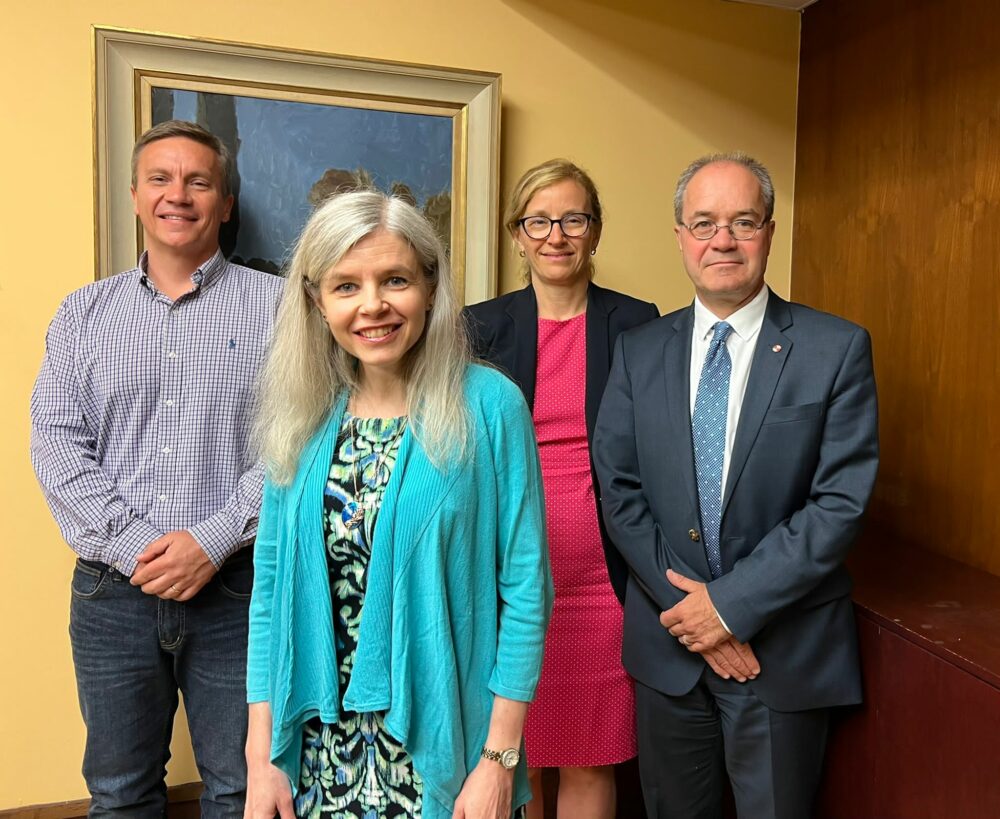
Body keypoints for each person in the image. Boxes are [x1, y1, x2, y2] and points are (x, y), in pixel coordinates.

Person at [244, 189, 553, 819]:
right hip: (317, 754)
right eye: (346, 286)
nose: (372, 305)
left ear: (430, 288)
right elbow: (269, 592)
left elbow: (526, 592)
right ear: (317, 301)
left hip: (448, 753)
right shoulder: (302, 415)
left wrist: (498, 760)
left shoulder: (489, 406)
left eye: (395, 280)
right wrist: (261, 756)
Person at [593, 152, 879, 818]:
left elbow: (839, 504)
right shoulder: (638, 350)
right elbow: (619, 491)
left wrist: (728, 608)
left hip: (782, 654)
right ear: (681, 237)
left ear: (769, 233)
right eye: (704, 223)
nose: (722, 240)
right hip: (670, 651)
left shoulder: (835, 348)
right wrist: (694, 616)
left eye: (743, 222)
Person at [30, 120, 283, 816]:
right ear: (137, 196)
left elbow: (298, 438)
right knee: (119, 795)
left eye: (199, 181)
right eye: (161, 179)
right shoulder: (82, 313)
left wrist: (214, 538)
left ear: (225, 203)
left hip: (239, 588)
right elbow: (55, 441)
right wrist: (135, 546)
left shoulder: (280, 309)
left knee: (243, 790)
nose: (179, 195)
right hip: (112, 594)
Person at [464, 159, 658, 818]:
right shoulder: (479, 326)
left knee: (590, 753)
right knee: (517, 755)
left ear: (595, 231)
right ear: (517, 235)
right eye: (539, 221)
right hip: (508, 578)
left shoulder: (637, 323)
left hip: (605, 579)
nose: (556, 235)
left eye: (573, 219)